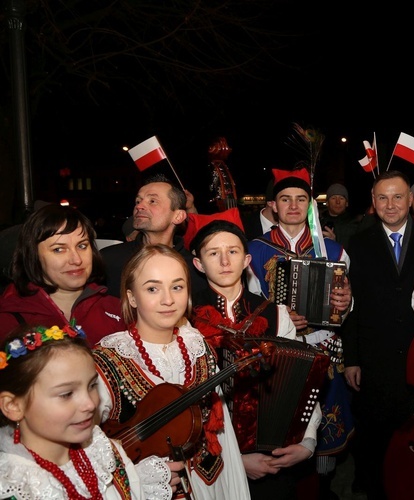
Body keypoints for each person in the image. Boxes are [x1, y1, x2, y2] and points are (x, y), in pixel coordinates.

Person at [93, 244, 252, 499]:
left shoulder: (197, 344)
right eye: (152, 288)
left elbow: (223, 434)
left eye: (177, 287)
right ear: (132, 297)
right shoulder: (108, 357)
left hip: (209, 485)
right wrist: (135, 476)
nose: (168, 299)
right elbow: (83, 443)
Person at [187, 219, 322, 499]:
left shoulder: (275, 313)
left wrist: (307, 441)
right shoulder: (184, 317)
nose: (225, 261)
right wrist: (234, 460)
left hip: (270, 450)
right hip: (209, 457)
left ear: (247, 259)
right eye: (213, 253)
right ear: (198, 264)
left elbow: (296, 380)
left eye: (233, 251)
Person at [247, 168, 354, 499]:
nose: (293, 206)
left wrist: (346, 302)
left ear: (310, 205)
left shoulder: (333, 249)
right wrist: (277, 316)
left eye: (301, 199)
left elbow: (349, 298)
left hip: (324, 348)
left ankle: (322, 488)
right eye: (285, 199)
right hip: (276, 351)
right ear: (273, 206)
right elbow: (248, 306)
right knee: (281, 423)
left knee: (325, 417)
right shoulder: (254, 249)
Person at [342, 170, 414, 498]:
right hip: (374, 357)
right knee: (372, 435)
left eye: (398, 196)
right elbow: (349, 306)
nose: (391, 204)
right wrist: (351, 358)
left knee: (413, 431)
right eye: (382, 197)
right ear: (373, 202)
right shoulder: (356, 243)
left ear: (411, 199)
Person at [0, 322, 178, 499]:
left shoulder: (104, 451)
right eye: (67, 394)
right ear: (13, 406)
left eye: (92, 385)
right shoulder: (15, 485)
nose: (90, 404)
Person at [0, 204, 124, 345]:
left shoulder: (118, 310)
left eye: (82, 246)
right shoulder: (7, 320)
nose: (76, 259)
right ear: (33, 256)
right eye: (59, 249)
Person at [100, 173, 208, 300]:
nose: (139, 206)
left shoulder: (196, 269)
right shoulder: (108, 260)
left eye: (152, 201)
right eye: (138, 201)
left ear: (178, 216)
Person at [318, 182, 360, 250]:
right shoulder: (317, 223)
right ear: (327, 203)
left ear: (346, 203)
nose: (338, 202)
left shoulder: (355, 225)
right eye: (333, 198)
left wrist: (333, 244)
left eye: (341, 198)